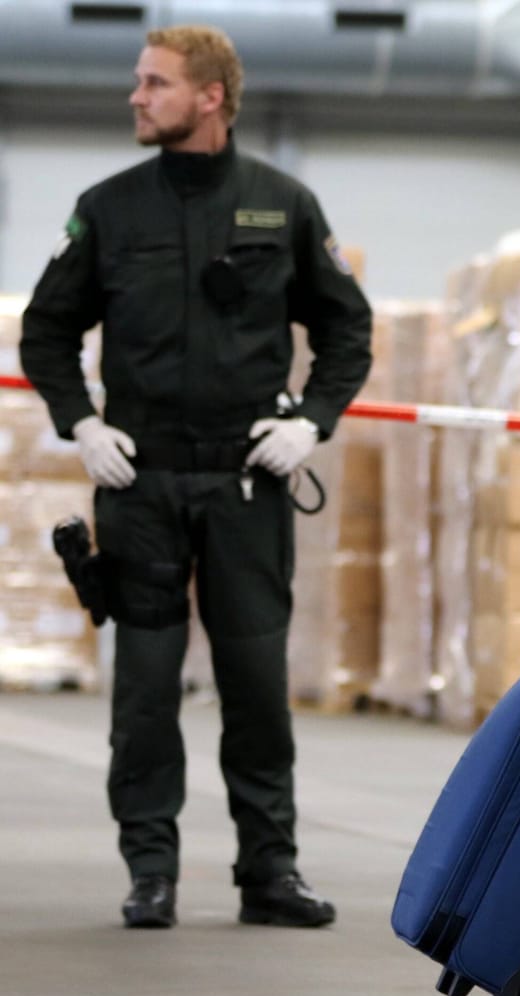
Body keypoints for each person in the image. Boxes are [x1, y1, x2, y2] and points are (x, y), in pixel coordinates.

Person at [20, 25, 371, 930]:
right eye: (139, 83)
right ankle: (151, 870)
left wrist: (310, 423)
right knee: (144, 689)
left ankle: (270, 872)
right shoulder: (107, 210)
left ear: (209, 96)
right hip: (139, 487)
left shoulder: (283, 205)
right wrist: (83, 424)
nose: (135, 97)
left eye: (154, 83)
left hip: (246, 487)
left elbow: (347, 332)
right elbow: (45, 333)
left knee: (256, 685)